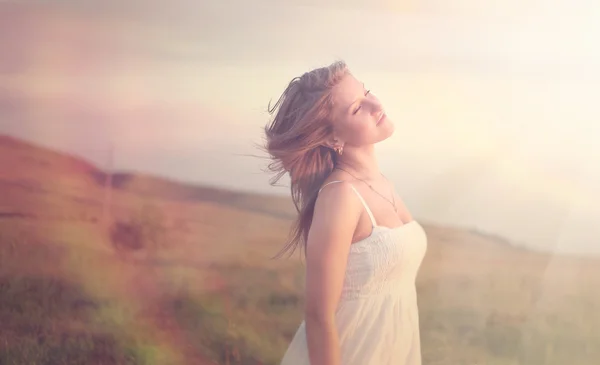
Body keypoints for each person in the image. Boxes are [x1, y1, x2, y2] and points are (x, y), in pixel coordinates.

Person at [263, 60, 428, 365]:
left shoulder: (381, 183)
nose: (376, 104)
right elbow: (318, 315)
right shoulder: (340, 197)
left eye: (367, 93)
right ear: (331, 138)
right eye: (357, 108)